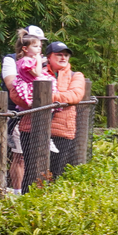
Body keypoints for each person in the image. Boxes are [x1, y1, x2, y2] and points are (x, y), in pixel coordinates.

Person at [8, 34, 47, 191]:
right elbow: (37, 74)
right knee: (20, 156)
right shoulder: (25, 61)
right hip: (28, 88)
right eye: (35, 46)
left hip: (34, 88)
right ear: (25, 48)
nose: (39, 49)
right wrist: (39, 60)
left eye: (40, 47)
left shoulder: (30, 60)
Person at [43, 41, 86, 180]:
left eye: (66, 55)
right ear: (48, 57)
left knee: (55, 171)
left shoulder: (76, 75)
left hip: (61, 130)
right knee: (32, 168)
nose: (63, 57)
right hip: (36, 128)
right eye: (59, 54)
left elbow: (74, 96)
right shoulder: (38, 73)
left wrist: (43, 97)